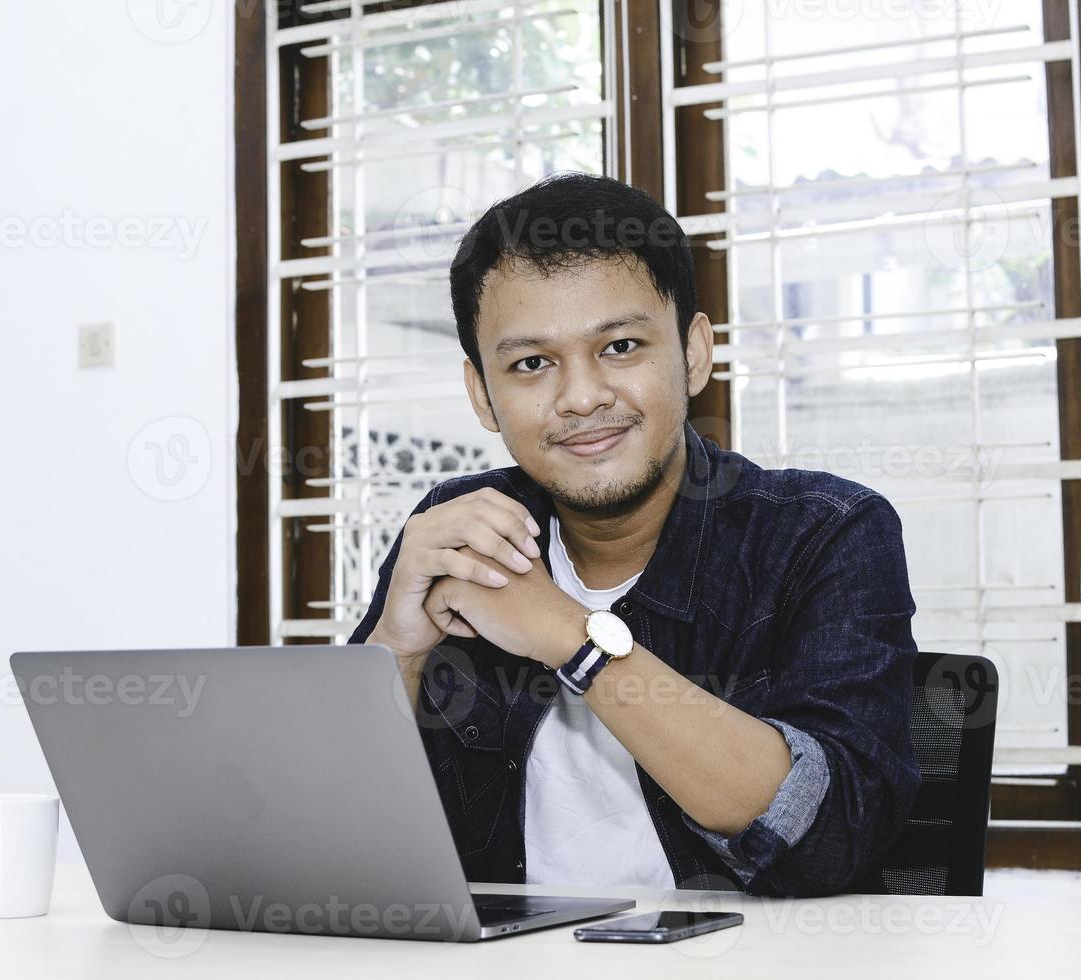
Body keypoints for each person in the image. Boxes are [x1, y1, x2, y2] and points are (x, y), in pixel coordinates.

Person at [348, 171, 919, 897]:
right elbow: (333, 844)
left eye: (619, 347)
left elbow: (829, 839)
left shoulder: (824, 534)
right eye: (531, 364)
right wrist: (394, 653)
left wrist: (570, 635)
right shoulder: (457, 531)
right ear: (481, 394)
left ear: (694, 353)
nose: (582, 397)